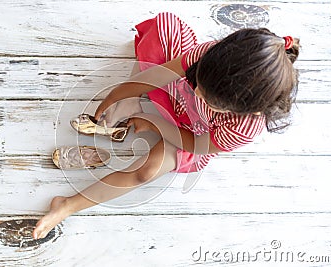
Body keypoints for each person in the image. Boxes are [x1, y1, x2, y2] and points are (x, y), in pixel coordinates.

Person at [32, 12, 300, 240]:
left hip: (194, 133)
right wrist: (120, 94)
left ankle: (67, 206)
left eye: (211, 100)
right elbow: (157, 75)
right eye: (200, 86)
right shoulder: (206, 54)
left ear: (249, 110)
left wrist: (155, 124)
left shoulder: (245, 126)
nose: (199, 95)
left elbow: (198, 144)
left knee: (146, 171)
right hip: (174, 92)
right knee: (166, 25)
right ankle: (134, 104)